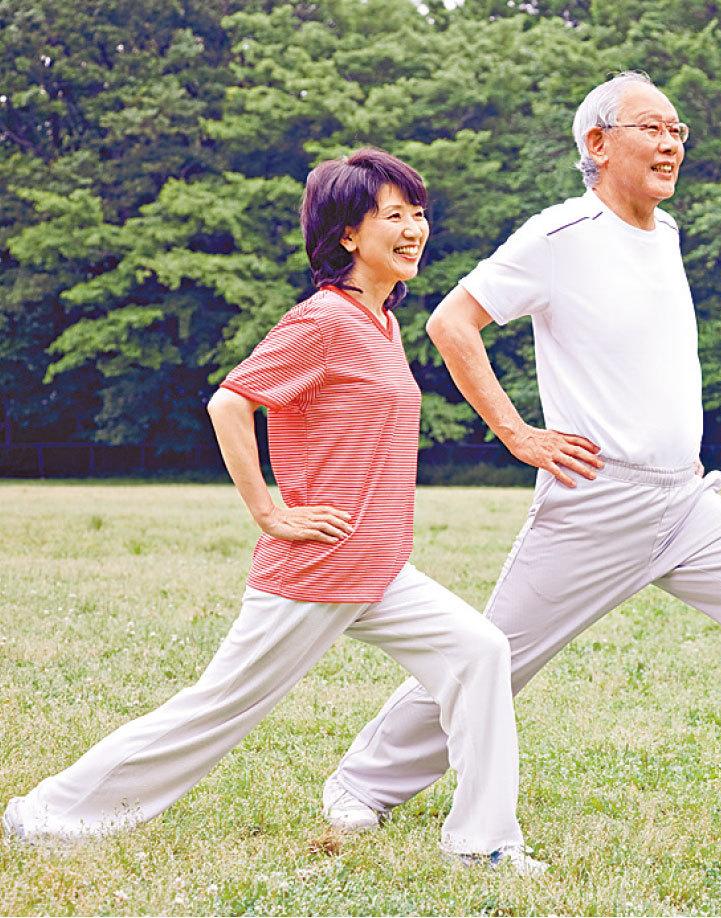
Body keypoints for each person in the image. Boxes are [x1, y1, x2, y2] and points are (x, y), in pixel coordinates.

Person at [321, 75, 721, 849]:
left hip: (685, 501)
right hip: (597, 501)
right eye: (652, 128)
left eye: (678, 131)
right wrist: (518, 434)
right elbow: (452, 322)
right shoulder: (560, 235)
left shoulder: (666, 231)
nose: (671, 144)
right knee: (495, 658)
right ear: (598, 143)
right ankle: (361, 784)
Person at [3, 149, 546, 874]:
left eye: (418, 214)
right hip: (317, 569)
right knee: (217, 709)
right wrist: (268, 509)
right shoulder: (323, 319)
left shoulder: (381, 324)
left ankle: (483, 842)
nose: (414, 229)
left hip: (378, 566)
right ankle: (45, 816)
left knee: (480, 652)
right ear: (348, 234)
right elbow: (230, 402)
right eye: (394, 215)